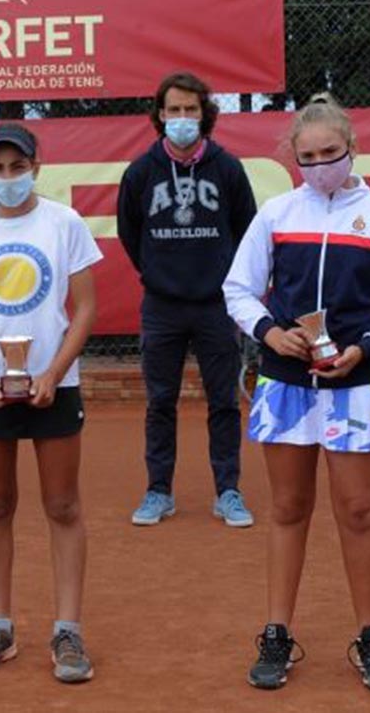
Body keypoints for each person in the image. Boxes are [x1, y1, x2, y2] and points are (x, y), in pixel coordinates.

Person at [223, 94, 370, 693]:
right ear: (293, 157)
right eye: (307, 157)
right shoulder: (277, 214)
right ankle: (276, 632)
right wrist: (269, 332)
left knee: (358, 512)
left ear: (351, 150)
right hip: (285, 384)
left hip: (357, 384)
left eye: (329, 155)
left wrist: (365, 345)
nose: (318, 167)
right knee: (288, 509)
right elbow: (238, 289)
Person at [0, 123, 102, 684]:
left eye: (17, 166)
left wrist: (55, 371)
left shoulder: (66, 224)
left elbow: (83, 308)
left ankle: (68, 631)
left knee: (62, 506)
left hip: (55, 386)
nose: (8, 178)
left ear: (36, 164)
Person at [117, 71, 258, 527]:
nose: (182, 118)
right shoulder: (140, 172)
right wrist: (157, 272)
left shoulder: (228, 168)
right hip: (162, 306)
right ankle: (158, 491)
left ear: (205, 115)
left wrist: (225, 283)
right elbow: (129, 233)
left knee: (222, 401)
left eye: (190, 110)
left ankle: (229, 491)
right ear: (160, 115)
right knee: (161, 401)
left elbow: (246, 232)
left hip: (216, 305)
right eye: (174, 110)